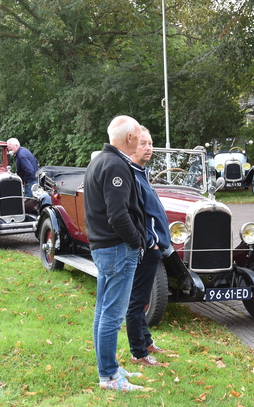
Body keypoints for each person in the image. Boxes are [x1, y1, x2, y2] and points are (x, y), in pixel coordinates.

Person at [83, 115, 147, 392]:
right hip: (117, 248)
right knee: (112, 314)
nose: (141, 140)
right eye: (138, 135)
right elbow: (118, 215)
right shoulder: (115, 165)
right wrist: (136, 242)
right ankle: (109, 376)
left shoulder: (99, 160)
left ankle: (109, 367)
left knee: (103, 312)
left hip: (105, 247)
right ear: (130, 138)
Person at [126, 126, 172, 367]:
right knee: (137, 301)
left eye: (151, 143)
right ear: (132, 145)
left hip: (155, 248)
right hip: (147, 248)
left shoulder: (142, 173)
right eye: (143, 143)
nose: (149, 148)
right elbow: (135, 215)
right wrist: (151, 243)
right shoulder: (131, 176)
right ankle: (138, 352)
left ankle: (146, 342)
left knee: (143, 299)